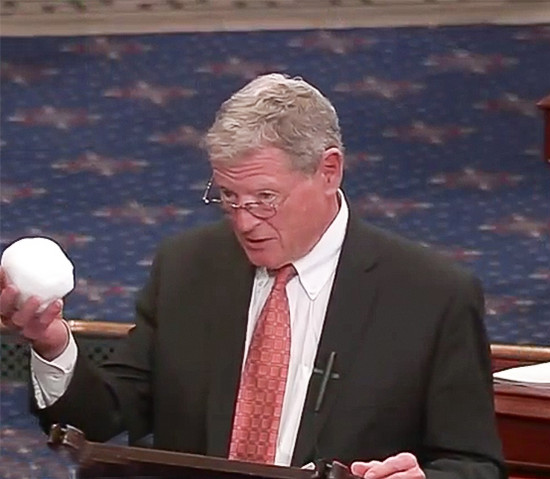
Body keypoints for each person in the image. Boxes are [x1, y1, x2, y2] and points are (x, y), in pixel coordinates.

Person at [0, 73, 505, 478]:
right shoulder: (188, 267)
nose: (243, 221)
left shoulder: (431, 296)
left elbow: (475, 464)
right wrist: (51, 344)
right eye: (227, 197)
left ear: (328, 172)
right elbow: (104, 417)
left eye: (265, 198)